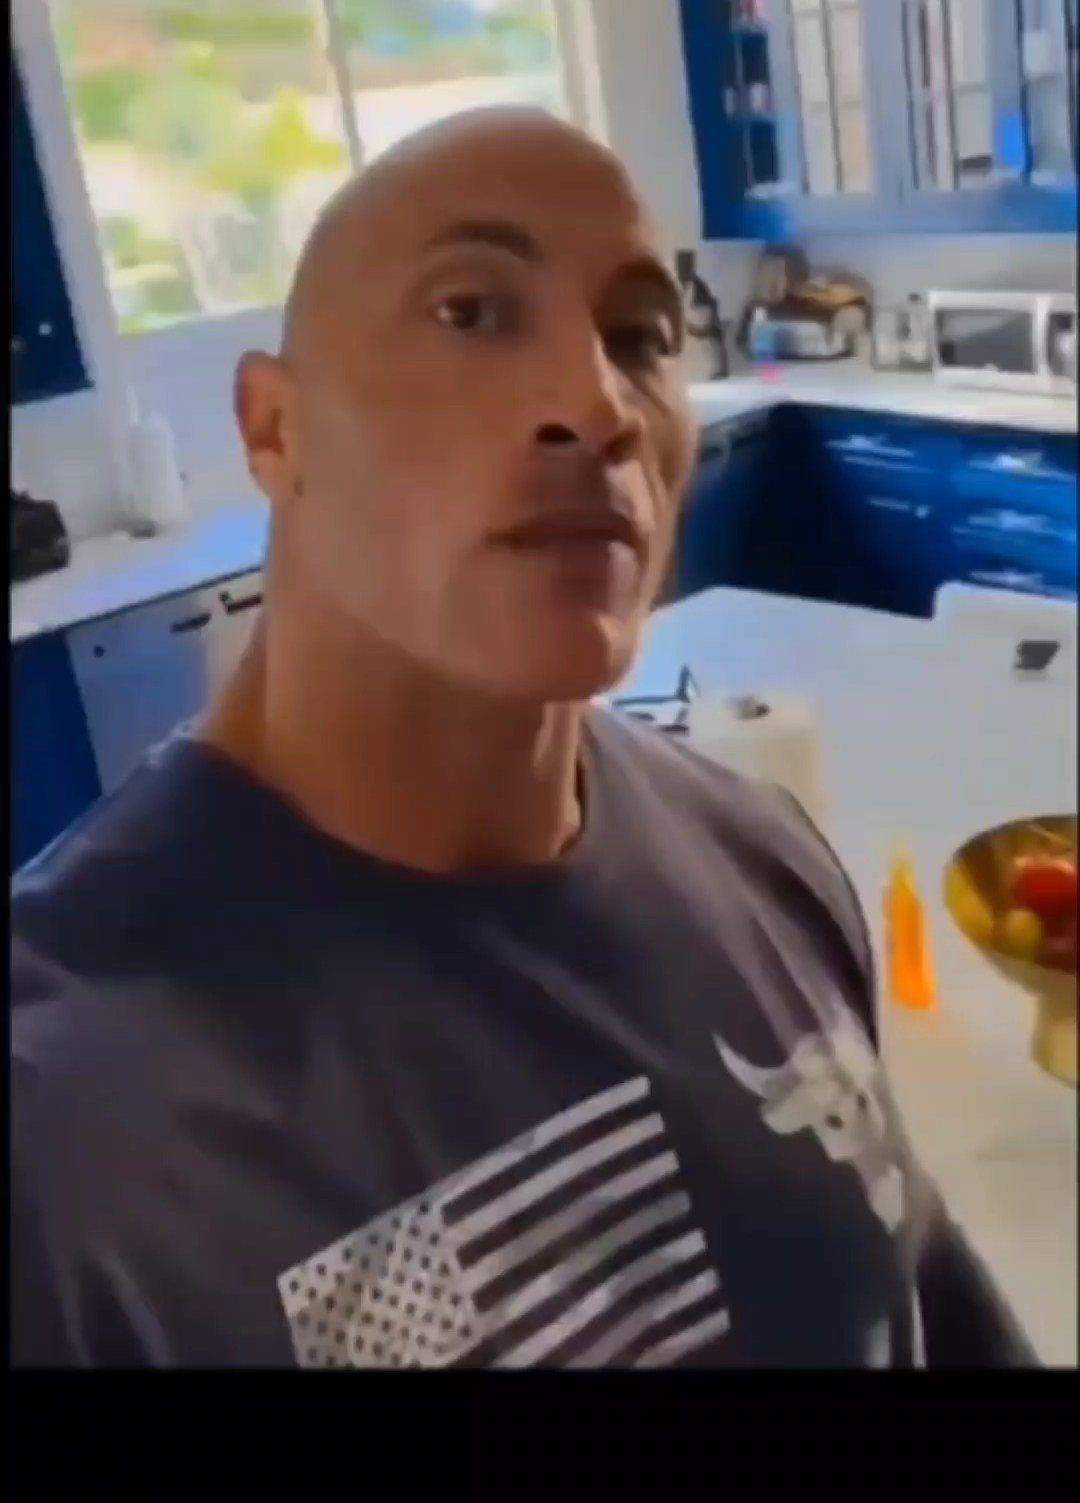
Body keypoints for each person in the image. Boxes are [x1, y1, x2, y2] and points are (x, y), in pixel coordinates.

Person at [11, 109, 1034, 1370]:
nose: (595, 404)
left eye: (638, 337)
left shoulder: (766, 860)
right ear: (275, 429)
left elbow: (923, 1302)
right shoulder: (61, 1126)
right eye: (472, 313)